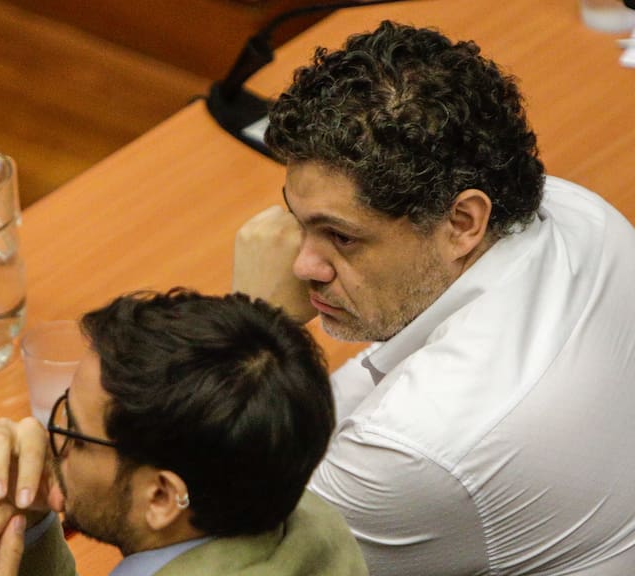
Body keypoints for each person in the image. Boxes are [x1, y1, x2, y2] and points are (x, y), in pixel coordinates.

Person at [233, 20, 635, 576]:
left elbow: (228, 545)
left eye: (341, 236)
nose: (303, 265)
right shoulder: (577, 212)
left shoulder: (415, 450)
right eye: (299, 222)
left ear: (463, 222)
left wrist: (251, 333)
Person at [0, 289, 368, 576]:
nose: (49, 438)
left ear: (162, 497)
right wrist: (34, 520)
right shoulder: (305, 517)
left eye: (74, 433)